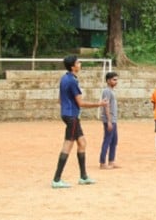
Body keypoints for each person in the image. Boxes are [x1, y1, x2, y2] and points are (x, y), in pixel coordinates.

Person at [51, 55, 108, 188]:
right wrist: (99, 104)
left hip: (69, 115)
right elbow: (81, 103)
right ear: (73, 67)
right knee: (68, 145)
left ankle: (83, 176)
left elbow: (60, 99)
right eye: (78, 62)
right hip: (72, 116)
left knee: (82, 143)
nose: (80, 64)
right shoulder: (72, 81)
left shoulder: (64, 78)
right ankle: (56, 179)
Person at [99, 71, 120, 169]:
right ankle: (102, 162)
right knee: (107, 140)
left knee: (114, 140)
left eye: (116, 80)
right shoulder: (107, 91)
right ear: (108, 81)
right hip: (110, 119)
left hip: (113, 119)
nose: (116, 82)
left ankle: (111, 161)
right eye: (114, 80)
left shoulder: (112, 91)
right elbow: (106, 106)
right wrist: (109, 121)